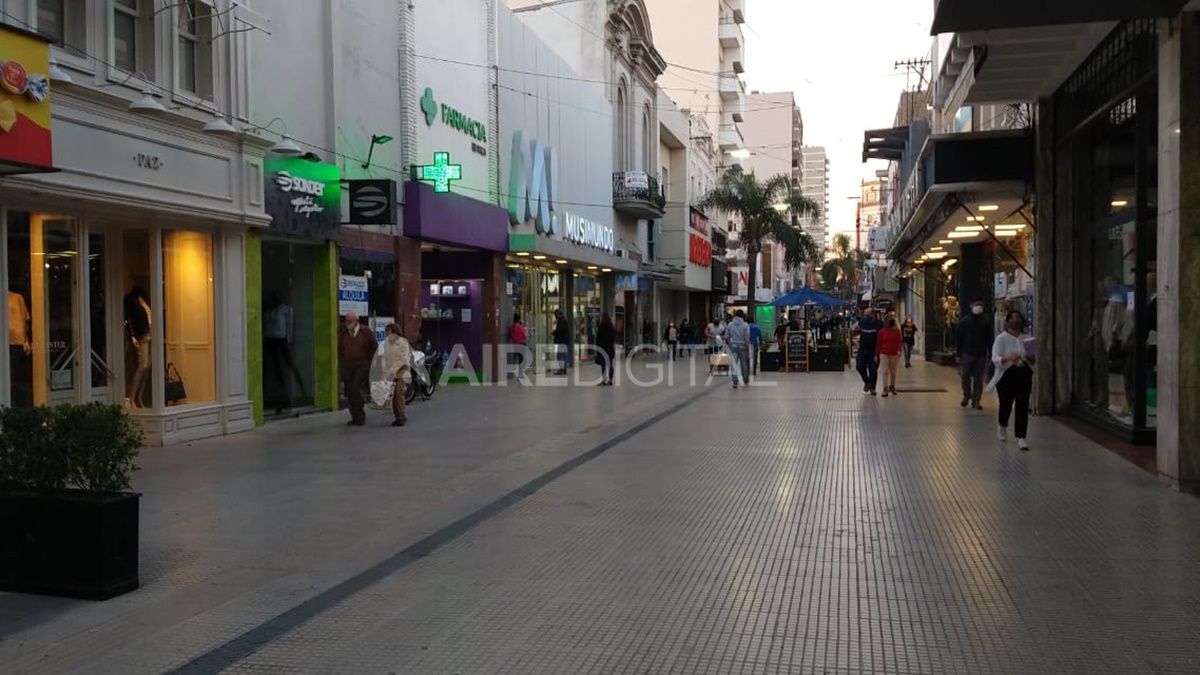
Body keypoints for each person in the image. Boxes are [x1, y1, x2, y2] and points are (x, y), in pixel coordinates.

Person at [988, 310, 1035, 450]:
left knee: (1022, 404)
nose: (1016, 320)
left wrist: (1030, 357)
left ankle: (1021, 436)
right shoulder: (1001, 338)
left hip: (1023, 373)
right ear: (1007, 321)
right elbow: (995, 357)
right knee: (1006, 403)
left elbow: (1033, 360)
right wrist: (1008, 359)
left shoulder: (1028, 338)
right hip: (1006, 374)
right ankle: (1002, 424)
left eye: (1018, 317)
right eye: (1013, 318)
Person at [338, 311, 377, 426]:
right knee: (349, 391)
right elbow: (340, 349)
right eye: (346, 321)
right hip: (348, 366)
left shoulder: (366, 332)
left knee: (356, 388)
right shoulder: (343, 333)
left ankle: (360, 415)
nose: (347, 323)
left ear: (356, 321)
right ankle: (354, 416)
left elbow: (373, 346)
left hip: (362, 365)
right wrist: (342, 362)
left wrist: (370, 363)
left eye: (350, 321)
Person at [957, 299, 993, 410]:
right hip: (967, 353)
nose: (978, 306)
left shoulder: (986, 322)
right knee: (965, 376)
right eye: (976, 304)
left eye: (980, 305)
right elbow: (959, 339)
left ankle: (976, 400)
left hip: (981, 355)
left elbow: (989, 339)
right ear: (971, 305)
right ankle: (966, 395)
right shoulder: (964, 322)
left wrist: (991, 352)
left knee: (978, 378)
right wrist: (958, 354)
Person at [123, 286, 152, 408]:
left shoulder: (144, 300)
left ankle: (138, 397)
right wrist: (132, 335)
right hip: (141, 335)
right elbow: (127, 319)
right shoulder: (131, 300)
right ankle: (131, 397)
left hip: (149, 334)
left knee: (147, 366)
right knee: (142, 365)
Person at [381, 324, 412, 427]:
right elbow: (384, 357)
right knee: (392, 396)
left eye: (388, 331)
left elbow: (403, 359)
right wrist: (385, 370)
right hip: (390, 373)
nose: (387, 333)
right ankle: (397, 416)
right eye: (386, 331)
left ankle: (401, 417)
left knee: (399, 394)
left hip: (402, 373)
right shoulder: (386, 343)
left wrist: (392, 370)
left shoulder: (403, 343)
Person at [855, 308, 882, 395]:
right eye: (864, 315)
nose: (865, 317)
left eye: (867, 315)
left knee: (873, 369)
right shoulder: (862, 322)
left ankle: (873, 388)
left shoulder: (879, 324)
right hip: (862, 349)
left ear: (872, 314)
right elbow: (856, 330)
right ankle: (867, 382)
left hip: (873, 350)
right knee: (859, 366)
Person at [876, 315, 903, 397]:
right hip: (884, 353)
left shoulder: (897, 331)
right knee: (885, 371)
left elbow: (899, 342)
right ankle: (885, 388)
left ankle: (892, 386)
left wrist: (899, 350)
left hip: (894, 353)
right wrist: (876, 355)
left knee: (893, 371)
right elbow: (878, 344)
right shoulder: (881, 332)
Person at [726, 310, 751, 388]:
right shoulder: (745, 325)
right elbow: (747, 337)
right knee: (744, 364)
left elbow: (727, 336)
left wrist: (730, 343)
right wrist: (748, 346)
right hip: (743, 346)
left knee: (734, 364)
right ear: (743, 316)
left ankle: (735, 382)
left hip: (733, 346)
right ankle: (745, 380)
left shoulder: (730, 324)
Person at [596, 313, 617, 385]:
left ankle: (604, 380)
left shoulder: (601, 327)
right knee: (610, 364)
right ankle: (610, 380)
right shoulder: (611, 327)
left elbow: (598, 338)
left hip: (602, 348)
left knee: (603, 364)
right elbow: (614, 338)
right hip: (610, 348)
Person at [552, 309, 570, 375]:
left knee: (560, 355)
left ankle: (562, 369)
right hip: (564, 341)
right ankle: (563, 369)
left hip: (562, 341)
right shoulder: (563, 321)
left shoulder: (561, 321)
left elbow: (560, 331)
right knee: (562, 355)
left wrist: (554, 332)